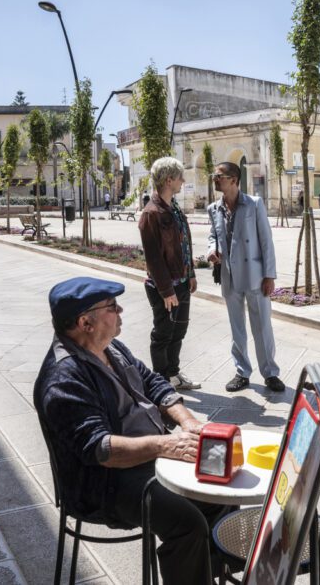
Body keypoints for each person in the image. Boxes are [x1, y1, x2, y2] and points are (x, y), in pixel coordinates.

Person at [33, 277, 221, 585]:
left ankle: (205, 574)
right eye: (111, 307)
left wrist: (188, 422)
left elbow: (152, 381)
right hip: (105, 483)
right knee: (187, 523)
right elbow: (101, 449)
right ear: (85, 322)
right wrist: (165, 446)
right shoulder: (63, 379)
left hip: (147, 456)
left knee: (219, 488)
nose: (120, 310)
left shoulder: (111, 347)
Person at [207, 162, 285, 393]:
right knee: (237, 328)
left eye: (219, 175)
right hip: (229, 275)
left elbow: (266, 241)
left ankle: (270, 373)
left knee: (262, 326)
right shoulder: (214, 208)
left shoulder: (254, 204)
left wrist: (269, 275)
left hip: (255, 275)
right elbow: (213, 235)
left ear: (233, 179)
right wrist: (211, 250)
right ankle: (242, 372)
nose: (215, 179)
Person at [138, 157, 200, 390]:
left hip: (182, 282)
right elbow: (153, 258)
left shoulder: (173, 208)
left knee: (179, 330)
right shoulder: (151, 213)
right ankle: (161, 381)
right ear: (168, 179)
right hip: (165, 287)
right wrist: (166, 290)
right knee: (163, 333)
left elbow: (184, 243)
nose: (183, 181)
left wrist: (191, 273)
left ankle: (173, 373)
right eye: (180, 177)